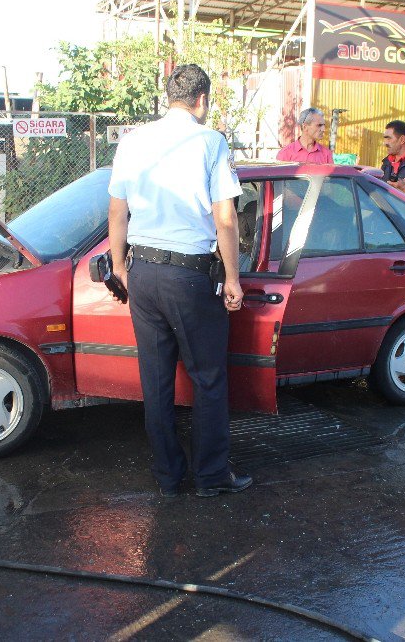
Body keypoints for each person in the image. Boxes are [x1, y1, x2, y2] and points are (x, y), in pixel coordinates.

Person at [107, 64, 253, 499]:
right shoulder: (210, 141)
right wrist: (232, 277)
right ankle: (210, 477)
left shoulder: (132, 141)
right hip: (189, 275)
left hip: (142, 273)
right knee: (208, 378)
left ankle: (169, 477)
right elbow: (224, 217)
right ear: (202, 100)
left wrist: (119, 267)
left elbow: (118, 212)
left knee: (155, 382)